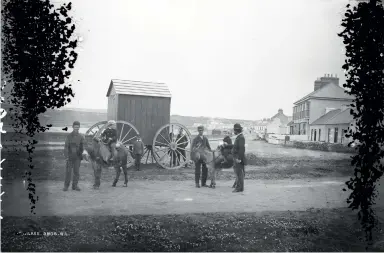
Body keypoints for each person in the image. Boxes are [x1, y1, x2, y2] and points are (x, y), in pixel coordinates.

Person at [63, 121, 86, 191]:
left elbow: (83, 146)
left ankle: (75, 186)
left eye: (78, 127)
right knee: (68, 172)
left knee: (76, 172)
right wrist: (66, 156)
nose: (77, 128)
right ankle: (66, 186)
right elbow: (66, 147)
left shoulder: (81, 136)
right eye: (75, 127)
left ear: (79, 127)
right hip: (70, 157)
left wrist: (83, 152)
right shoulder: (69, 136)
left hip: (77, 157)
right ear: (72, 127)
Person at [230, 123, 246, 193]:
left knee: (239, 173)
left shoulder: (241, 137)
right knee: (238, 173)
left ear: (237, 130)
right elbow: (236, 147)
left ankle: (239, 188)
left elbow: (242, 149)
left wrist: (239, 159)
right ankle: (239, 187)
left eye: (234, 130)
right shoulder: (239, 137)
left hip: (238, 158)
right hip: (236, 158)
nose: (234, 132)